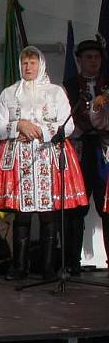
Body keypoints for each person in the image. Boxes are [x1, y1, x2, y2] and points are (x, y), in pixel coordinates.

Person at [0, 46, 87, 280]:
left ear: (40, 65)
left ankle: (49, 268)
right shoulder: (9, 93)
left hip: (47, 156)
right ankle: (19, 266)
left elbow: (68, 125)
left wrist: (41, 131)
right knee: (22, 213)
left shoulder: (55, 92)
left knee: (47, 213)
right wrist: (18, 126)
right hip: (19, 157)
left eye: (32, 63)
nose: (28, 67)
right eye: (24, 63)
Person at [63, 39, 109, 273]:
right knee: (76, 206)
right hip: (79, 149)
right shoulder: (69, 86)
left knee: (107, 206)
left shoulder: (107, 84)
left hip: (103, 150)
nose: (93, 61)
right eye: (88, 57)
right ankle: (72, 262)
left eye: (97, 57)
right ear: (79, 60)